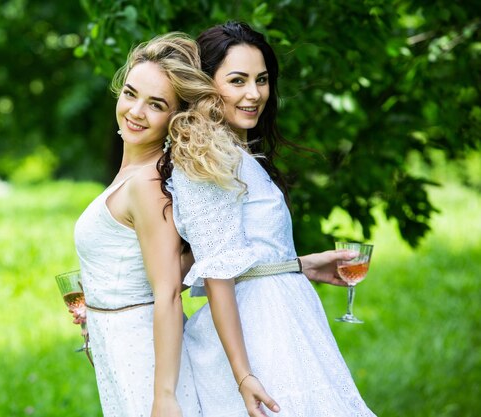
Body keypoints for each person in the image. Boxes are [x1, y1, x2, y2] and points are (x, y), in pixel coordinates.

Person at [162, 22, 377, 416]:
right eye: (237, 80)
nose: (253, 94)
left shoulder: (234, 152)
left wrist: (301, 265)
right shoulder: (205, 157)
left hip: (281, 311)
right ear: (207, 85)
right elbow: (218, 273)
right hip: (257, 328)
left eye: (261, 80)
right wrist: (244, 376)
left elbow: (243, 249)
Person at [72, 32, 228, 417]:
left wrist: (165, 396)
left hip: (142, 354)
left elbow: (169, 293)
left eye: (155, 104)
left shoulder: (146, 185)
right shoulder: (134, 175)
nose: (136, 111)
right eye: (130, 93)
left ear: (175, 117)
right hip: (116, 348)